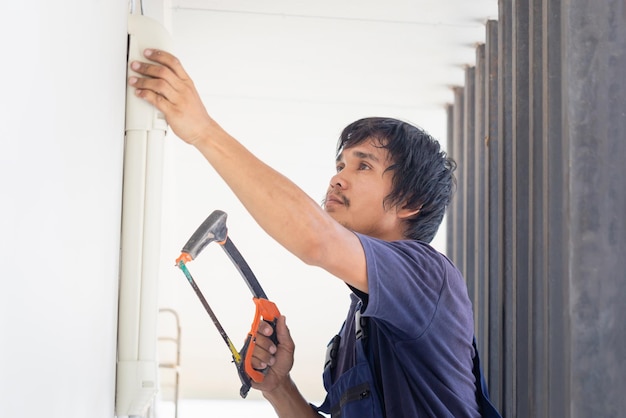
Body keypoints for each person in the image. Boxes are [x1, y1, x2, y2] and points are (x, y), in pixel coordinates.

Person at [129, 49, 496, 417]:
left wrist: (203, 130)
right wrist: (277, 387)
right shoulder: (358, 323)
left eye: (363, 166)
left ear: (410, 202)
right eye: (340, 164)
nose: (337, 177)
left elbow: (315, 239)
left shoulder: (427, 276)